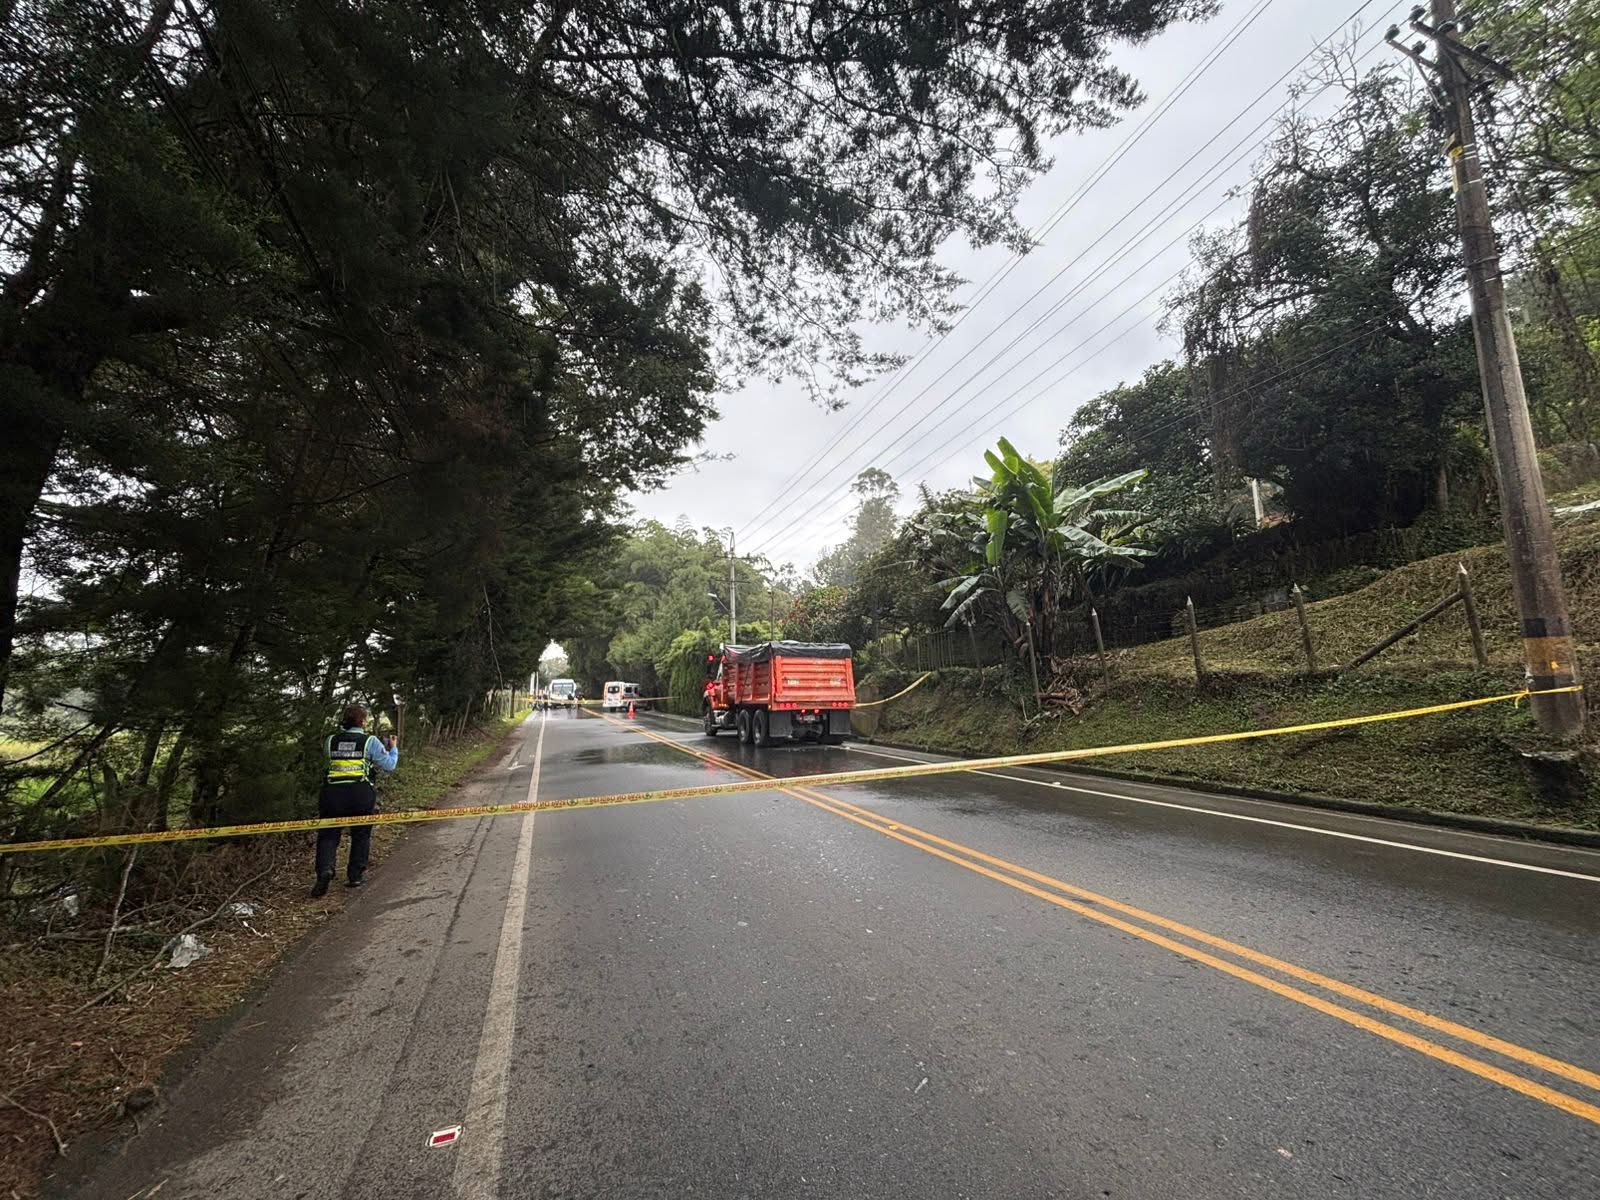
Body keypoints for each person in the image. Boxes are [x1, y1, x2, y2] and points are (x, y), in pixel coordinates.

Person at [313, 704, 399, 897]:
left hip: (332, 793)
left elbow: (328, 761)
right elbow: (389, 766)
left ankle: (325, 871)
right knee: (360, 834)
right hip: (360, 793)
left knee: (328, 835)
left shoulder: (330, 740)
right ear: (363, 721)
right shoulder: (370, 741)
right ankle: (355, 876)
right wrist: (393, 749)